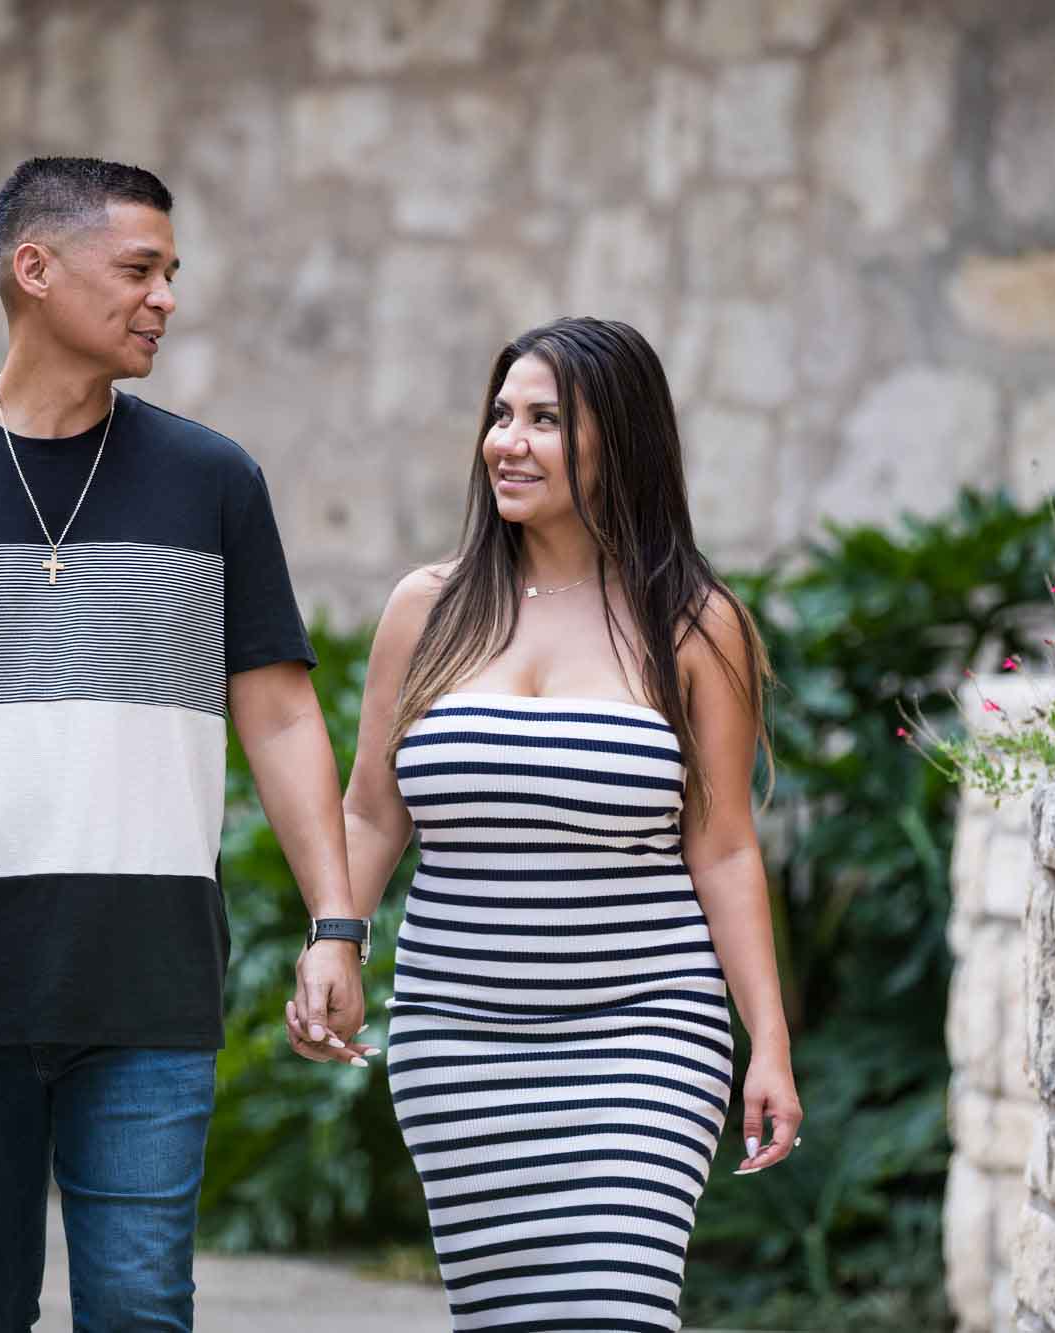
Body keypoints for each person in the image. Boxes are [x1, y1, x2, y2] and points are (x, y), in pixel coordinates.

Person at [0, 156, 373, 1330]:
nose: (165, 297)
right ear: (34, 268)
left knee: (139, 1307)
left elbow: (276, 709)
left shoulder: (214, 481)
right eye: (139, 270)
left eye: (171, 273)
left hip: (150, 978)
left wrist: (336, 924)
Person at [295, 316, 802, 1331]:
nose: (505, 443)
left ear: (619, 441)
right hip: (458, 1038)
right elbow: (368, 809)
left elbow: (726, 844)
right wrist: (332, 938)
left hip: (643, 1033)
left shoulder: (695, 624)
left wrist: (770, 1043)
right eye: (499, 415)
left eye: (543, 421)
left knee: (614, 1310)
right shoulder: (425, 608)